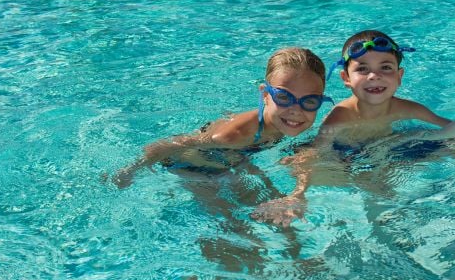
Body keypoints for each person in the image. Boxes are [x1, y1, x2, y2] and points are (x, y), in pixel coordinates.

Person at [252, 30, 455, 226]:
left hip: (392, 148)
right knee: (362, 181)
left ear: (399, 76)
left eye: (384, 69)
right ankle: (386, 218)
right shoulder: (340, 117)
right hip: (349, 156)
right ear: (346, 79)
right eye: (363, 70)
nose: (374, 77)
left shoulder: (409, 109)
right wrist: (298, 193)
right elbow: (317, 155)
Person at [111, 47, 332, 188]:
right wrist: (130, 170)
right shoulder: (233, 134)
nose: (296, 110)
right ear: (265, 95)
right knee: (236, 227)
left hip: (234, 159)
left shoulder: (279, 124)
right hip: (192, 165)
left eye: (309, 101)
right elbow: (176, 143)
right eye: (284, 97)